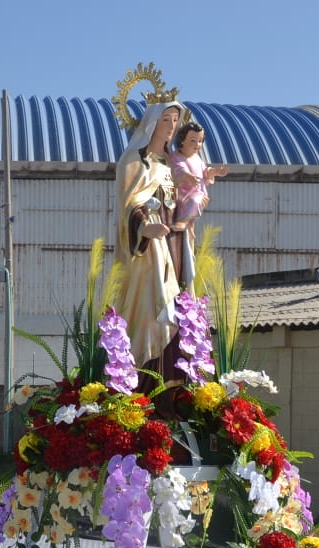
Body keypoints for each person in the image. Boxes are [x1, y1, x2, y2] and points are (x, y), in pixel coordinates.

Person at [112, 100, 189, 384]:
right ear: (152, 123)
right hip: (146, 253)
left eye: (175, 121)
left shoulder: (170, 164)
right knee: (150, 311)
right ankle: (141, 383)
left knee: (174, 309)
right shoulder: (133, 160)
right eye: (166, 119)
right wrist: (144, 226)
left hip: (172, 247)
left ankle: (168, 389)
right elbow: (127, 205)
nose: (171, 127)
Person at [169, 121, 229, 226]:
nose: (197, 144)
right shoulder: (175, 157)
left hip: (197, 193)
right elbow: (179, 170)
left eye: (200, 141)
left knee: (194, 201)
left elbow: (206, 173)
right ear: (182, 140)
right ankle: (187, 226)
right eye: (193, 140)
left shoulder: (197, 159)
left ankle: (183, 222)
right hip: (180, 195)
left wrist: (216, 171)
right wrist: (187, 176)